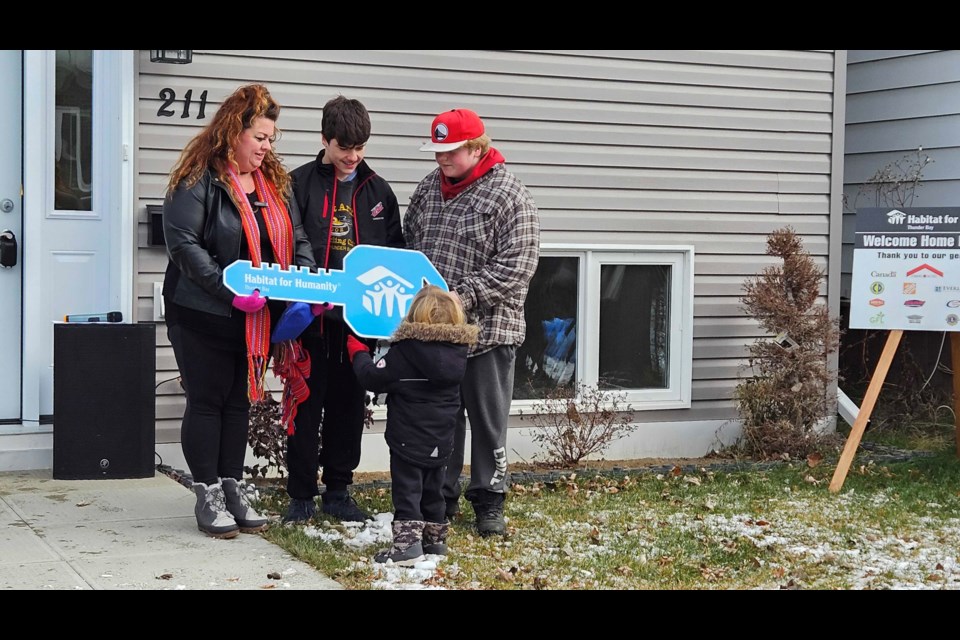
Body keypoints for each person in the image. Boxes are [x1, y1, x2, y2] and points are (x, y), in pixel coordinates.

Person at [162, 84, 317, 539]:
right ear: (234, 132)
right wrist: (229, 290)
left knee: (238, 403)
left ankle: (232, 485)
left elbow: (298, 238)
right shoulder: (197, 178)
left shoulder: (274, 182)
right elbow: (184, 246)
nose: (268, 147)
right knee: (208, 400)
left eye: (272, 139)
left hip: (254, 318)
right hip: (202, 312)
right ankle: (207, 491)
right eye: (261, 138)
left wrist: (302, 283)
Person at [404, 108, 541, 537]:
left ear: (477, 147)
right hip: (436, 334)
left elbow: (517, 266)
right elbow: (410, 242)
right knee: (441, 419)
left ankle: (489, 500)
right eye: (437, 151)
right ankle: (438, 499)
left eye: (451, 151)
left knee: (487, 424)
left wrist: (459, 299)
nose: (441, 159)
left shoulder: (509, 195)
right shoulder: (429, 189)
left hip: (489, 333)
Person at [283, 95, 405, 523]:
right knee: (304, 406)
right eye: (343, 148)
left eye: (360, 147)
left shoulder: (378, 190)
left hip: (358, 320)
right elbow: (286, 247)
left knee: (348, 408)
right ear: (324, 140)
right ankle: (299, 494)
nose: (352, 157)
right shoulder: (298, 183)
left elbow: (395, 253)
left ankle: (338, 490)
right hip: (310, 320)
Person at [345, 285, 478, 565]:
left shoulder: (405, 352)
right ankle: (434, 540)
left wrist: (358, 353)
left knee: (408, 490)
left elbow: (372, 377)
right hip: (442, 439)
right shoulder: (459, 355)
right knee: (434, 488)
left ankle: (407, 547)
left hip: (407, 437)